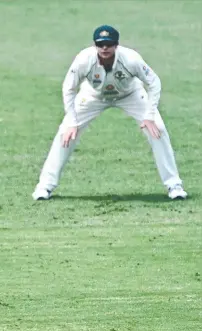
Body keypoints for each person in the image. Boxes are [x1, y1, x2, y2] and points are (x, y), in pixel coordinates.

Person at [32, 25, 188, 201]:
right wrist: (72, 121)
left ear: (116, 45)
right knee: (66, 133)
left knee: (157, 129)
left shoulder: (131, 59)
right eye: (100, 44)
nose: (104, 48)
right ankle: (44, 186)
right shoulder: (84, 59)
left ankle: (174, 186)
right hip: (93, 96)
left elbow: (154, 82)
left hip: (130, 95)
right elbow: (68, 88)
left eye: (109, 44)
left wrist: (149, 116)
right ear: (95, 46)